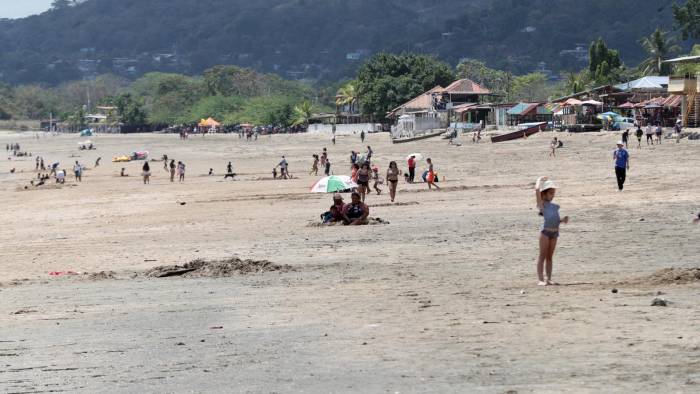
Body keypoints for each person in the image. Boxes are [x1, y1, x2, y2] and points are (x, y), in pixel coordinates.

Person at [534, 176, 569, 286]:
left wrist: (562, 220)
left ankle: (548, 278)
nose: (552, 195)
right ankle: (540, 279)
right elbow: (536, 190)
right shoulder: (542, 204)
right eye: (550, 193)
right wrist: (540, 180)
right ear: (544, 194)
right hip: (545, 233)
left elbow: (554, 219)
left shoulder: (554, 206)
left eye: (553, 193)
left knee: (549, 257)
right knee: (542, 256)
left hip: (554, 233)